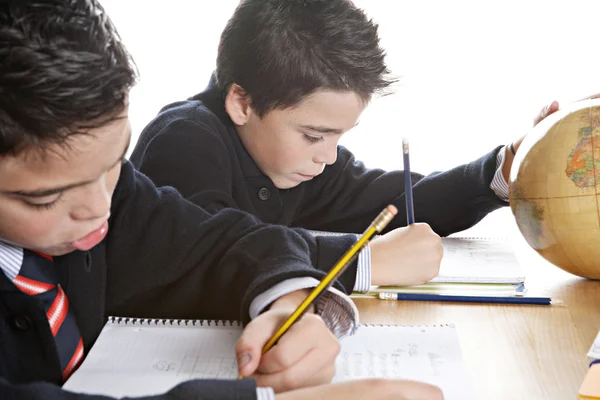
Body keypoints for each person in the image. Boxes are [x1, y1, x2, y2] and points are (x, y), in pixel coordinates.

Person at [0, 1, 443, 399]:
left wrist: (287, 302)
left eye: (114, 163)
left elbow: (219, 241)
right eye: (44, 199)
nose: (99, 207)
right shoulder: (188, 137)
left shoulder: (115, 195)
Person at [131, 0, 552, 291]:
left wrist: (506, 168)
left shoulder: (295, 159)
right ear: (242, 102)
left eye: (339, 136)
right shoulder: (183, 142)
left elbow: (399, 202)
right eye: (314, 136)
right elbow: (219, 257)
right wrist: (363, 263)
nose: (328, 156)